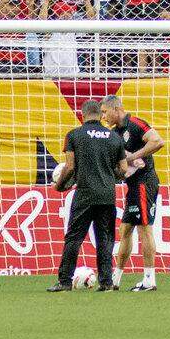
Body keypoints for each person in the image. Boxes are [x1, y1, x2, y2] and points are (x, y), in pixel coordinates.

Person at [48, 99, 124, 293]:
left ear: (82, 115)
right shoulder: (114, 137)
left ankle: (65, 281)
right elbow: (123, 169)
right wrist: (108, 172)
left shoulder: (74, 135)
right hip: (107, 194)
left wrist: (59, 185)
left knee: (74, 238)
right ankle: (106, 282)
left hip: (85, 194)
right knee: (105, 239)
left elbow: (70, 166)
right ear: (100, 115)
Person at [105, 96, 164, 293]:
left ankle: (149, 279)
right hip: (132, 185)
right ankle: (116, 279)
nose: (104, 116)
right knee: (125, 230)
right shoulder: (114, 134)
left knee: (144, 229)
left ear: (116, 108)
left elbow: (157, 141)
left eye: (105, 112)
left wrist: (133, 156)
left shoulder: (136, 124)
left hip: (145, 183)